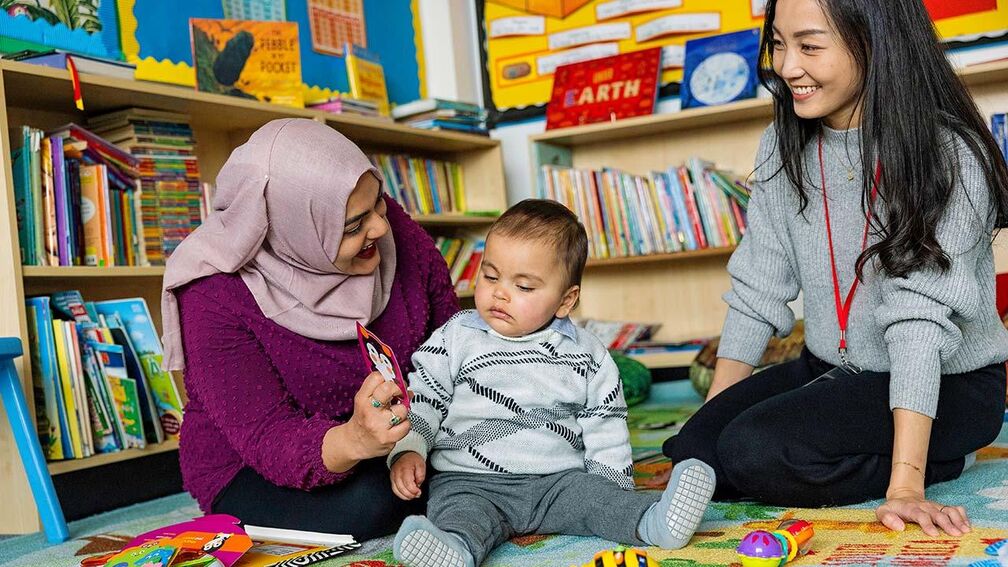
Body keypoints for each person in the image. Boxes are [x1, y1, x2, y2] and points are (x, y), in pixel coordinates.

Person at [662, 0, 1008, 539]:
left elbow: (919, 328)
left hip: (946, 382)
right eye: (777, 43)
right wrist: (710, 424)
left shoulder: (947, 155)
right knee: (699, 455)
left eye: (809, 45)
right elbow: (758, 287)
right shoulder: (783, 144)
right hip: (832, 367)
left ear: (874, 43)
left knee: (755, 452)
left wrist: (907, 485)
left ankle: (948, 460)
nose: (786, 66)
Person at [159, 118, 459, 540]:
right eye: (353, 225)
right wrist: (355, 440)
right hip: (257, 464)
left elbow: (455, 342)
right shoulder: (212, 294)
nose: (381, 228)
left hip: (408, 432)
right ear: (293, 227)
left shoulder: (397, 234)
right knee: (382, 502)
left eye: (380, 203)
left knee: (500, 458)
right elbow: (267, 435)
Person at [386, 200, 717, 567]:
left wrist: (613, 491)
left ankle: (654, 523)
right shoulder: (456, 335)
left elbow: (605, 424)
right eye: (490, 276)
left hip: (558, 482)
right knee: (460, 515)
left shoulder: (585, 353)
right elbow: (425, 395)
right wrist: (409, 449)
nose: (500, 292)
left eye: (524, 286)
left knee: (599, 502)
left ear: (565, 300)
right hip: (470, 480)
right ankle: (456, 550)